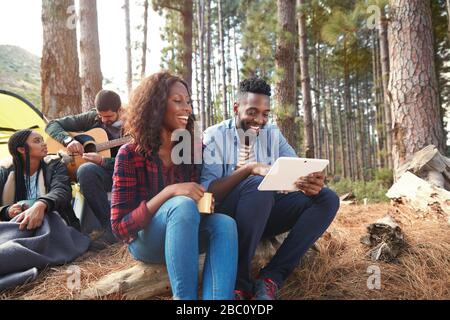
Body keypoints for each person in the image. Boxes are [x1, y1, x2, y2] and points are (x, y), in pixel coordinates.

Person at [201, 77, 340, 300]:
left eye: (265, 114)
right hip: (228, 218)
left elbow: (295, 168)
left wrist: (310, 183)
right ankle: (241, 283)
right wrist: (248, 169)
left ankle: (272, 277)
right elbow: (209, 192)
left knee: (327, 199)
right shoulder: (215, 136)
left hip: (264, 214)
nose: (259, 120)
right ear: (236, 108)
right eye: (252, 112)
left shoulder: (272, 134)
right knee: (257, 184)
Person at [111, 71, 238, 300]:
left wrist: (204, 199)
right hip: (146, 241)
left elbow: (195, 203)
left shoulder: (189, 150)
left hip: (185, 234)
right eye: (177, 101)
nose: (187, 108)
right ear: (156, 106)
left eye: (188, 102)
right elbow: (120, 227)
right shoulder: (129, 154)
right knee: (180, 205)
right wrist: (169, 193)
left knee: (225, 224)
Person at [0, 129, 90, 291]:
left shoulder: (54, 165)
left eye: (42, 139)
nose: (43, 143)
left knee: (11, 250)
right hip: (16, 227)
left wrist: (41, 205)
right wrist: (6, 211)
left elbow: (61, 191)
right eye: (37, 141)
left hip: (51, 225)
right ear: (21, 149)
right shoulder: (4, 171)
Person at [45, 90, 124, 245]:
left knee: (89, 168)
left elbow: (137, 160)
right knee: (85, 170)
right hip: (100, 172)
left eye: (108, 117)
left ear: (119, 110)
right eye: (100, 115)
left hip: (123, 171)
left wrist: (103, 161)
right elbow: (52, 125)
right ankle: (109, 228)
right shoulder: (93, 117)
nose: (103, 120)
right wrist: (68, 140)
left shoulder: (133, 126)